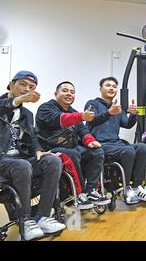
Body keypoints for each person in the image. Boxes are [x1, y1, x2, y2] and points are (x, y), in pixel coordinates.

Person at [0, 71, 66, 241]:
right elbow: (5, 105)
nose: (26, 89)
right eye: (23, 84)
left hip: (19, 160)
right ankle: (25, 220)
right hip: (3, 160)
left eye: (31, 87)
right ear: (11, 84)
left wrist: (38, 151)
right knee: (22, 165)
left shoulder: (27, 115)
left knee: (53, 160)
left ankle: (43, 216)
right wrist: (18, 101)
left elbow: (33, 137)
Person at [36, 81, 110, 209]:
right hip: (50, 150)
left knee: (97, 152)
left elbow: (82, 130)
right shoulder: (45, 108)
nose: (69, 94)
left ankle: (90, 191)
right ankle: (79, 194)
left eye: (72, 92)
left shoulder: (73, 111)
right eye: (65, 90)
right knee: (72, 153)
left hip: (72, 148)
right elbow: (60, 119)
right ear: (56, 93)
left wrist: (90, 140)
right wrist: (81, 116)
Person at [85, 77, 146, 204]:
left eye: (114, 86)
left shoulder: (117, 107)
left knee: (142, 147)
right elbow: (92, 120)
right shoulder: (92, 104)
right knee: (128, 151)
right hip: (100, 145)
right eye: (108, 85)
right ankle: (126, 189)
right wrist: (109, 113)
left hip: (115, 143)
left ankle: (137, 186)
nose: (111, 88)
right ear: (101, 88)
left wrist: (133, 115)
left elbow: (127, 124)